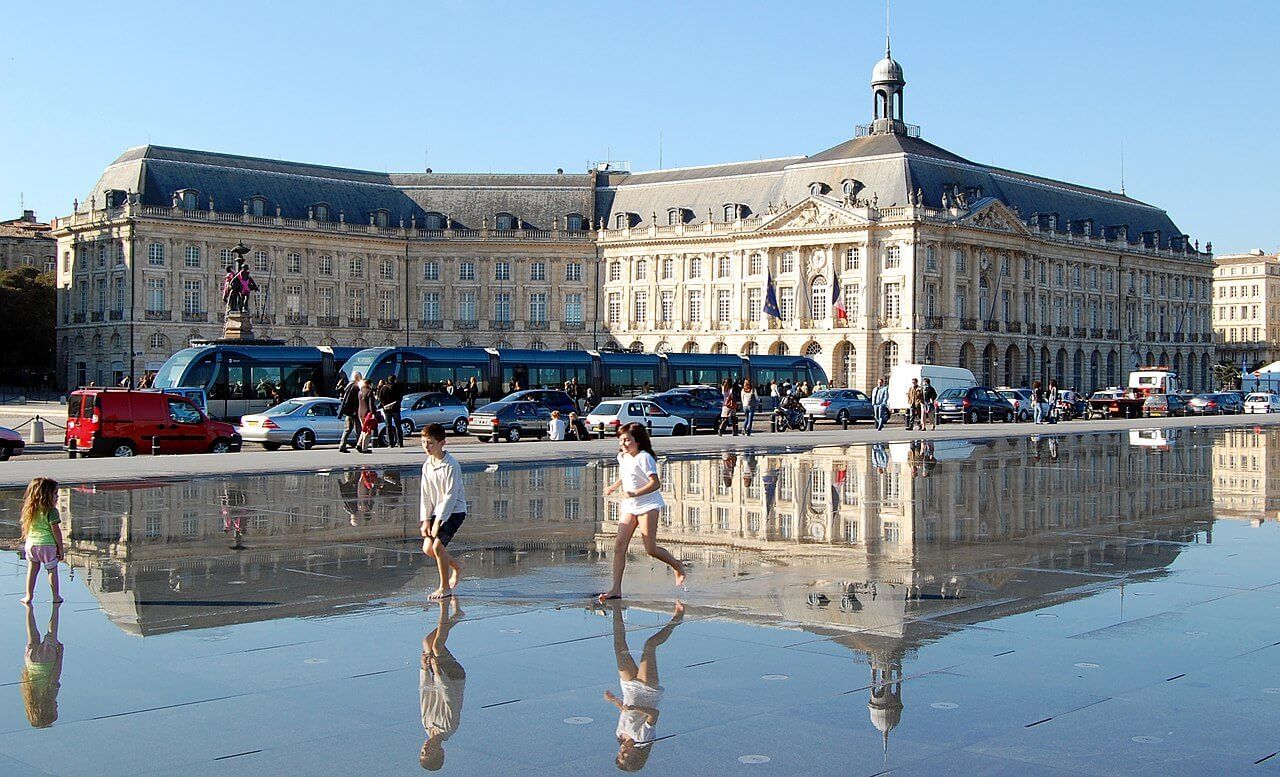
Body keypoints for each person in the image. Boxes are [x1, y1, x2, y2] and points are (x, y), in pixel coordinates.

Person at [598, 423, 686, 601]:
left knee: (650, 549)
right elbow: (626, 475)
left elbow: (655, 483)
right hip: (630, 506)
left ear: (637, 441)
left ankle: (677, 565)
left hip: (648, 505)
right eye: (621, 440)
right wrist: (613, 487)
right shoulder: (623, 457)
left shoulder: (645, 457)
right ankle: (615, 589)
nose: (623, 443)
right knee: (619, 547)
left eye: (627, 440)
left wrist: (634, 493)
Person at [603, 599, 683, 771]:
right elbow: (654, 714)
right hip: (648, 691)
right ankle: (677, 619)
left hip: (629, 687)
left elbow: (626, 712)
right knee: (650, 646)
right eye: (625, 756)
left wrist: (614, 701)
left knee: (619, 646)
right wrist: (636, 707)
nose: (621, 752)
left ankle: (615, 607)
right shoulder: (642, 739)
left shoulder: (619, 735)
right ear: (635, 755)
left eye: (619, 755)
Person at [420, 424, 467, 600]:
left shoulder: (451, 465)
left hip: (454, 511)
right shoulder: (427, 464)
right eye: (424, 442)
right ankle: (457, 566)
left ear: (442, 443)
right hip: (435, 510)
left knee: (438, 546)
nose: (426, 447)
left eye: (430, 443)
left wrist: (439, 522)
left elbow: (450, 496)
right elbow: (425, 494)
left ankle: (444, 587)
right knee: (428, 549)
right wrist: (425, 520)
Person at [419, 597, 466, 771]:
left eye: (422, 752)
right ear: (440, 752)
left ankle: (457, 614)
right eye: (428, 752)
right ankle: (444, 605)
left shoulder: (426, 724)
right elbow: (448, 696)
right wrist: (437, 671)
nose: (424, 748)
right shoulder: (449, 727)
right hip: (453, 678)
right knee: (437, 646)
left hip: (440, 678)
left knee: (426, 642)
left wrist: (424, 669)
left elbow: (425, 693)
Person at [20, 478, 63, 605]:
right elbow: (56, 531)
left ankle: (28, 596)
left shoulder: (30, 509)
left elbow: (27, 527)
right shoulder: (51, 511)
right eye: (55, 494)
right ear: (47, 495)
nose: (58, 497)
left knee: (32, 570)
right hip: (47, 545)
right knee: (52, 570)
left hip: (31, 545)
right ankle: (56, 596)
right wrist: (60, 547)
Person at [21, 601, 63, 729]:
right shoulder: (29, 696)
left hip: (47, 662)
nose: (56, 705)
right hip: (31, 661)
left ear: (47, 710)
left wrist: (60, 655)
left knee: (51, 633)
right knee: (33, 635)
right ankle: (28, 608)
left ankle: (55, 607)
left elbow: (55, 677)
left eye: (54, 708)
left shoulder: (49, 696)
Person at [338, 372, 362, 453]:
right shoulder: (356, 386)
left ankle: (342, 445)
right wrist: (355, 410)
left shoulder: (348, 385)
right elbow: (355, 400)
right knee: (358, 429)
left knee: (347, 429)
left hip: (348, 411)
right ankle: (360, 445)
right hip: (354, 411)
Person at [380, 374, 404, 448]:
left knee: (388, 426)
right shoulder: (398, 387)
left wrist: (384, 405)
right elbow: (400, 397)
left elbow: (380, 398)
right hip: (396, 409)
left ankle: (390, 443)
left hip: (387, 409)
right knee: (398, 425)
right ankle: (400, 442)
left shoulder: (384, 388)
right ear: (395, 379)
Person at [356, 378, 376, 454]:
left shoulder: (360, 392)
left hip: (360, 412)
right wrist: (373, 413)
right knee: (368, 431)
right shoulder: (369, 392)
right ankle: (364, 448)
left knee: (363, 429)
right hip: (367, 413)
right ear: (369, 384)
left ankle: (359, 444)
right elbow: (371, 404)